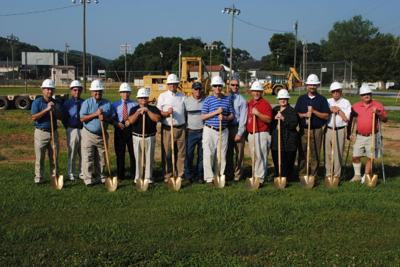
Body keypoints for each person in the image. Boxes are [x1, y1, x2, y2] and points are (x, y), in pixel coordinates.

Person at [349, 83, 387, 182]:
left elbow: (385, 119)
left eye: (368, 94)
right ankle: (357, 175)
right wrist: (349, 133)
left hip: (373, 135)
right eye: (364, 94)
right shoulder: (355, 106)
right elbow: (350, 119)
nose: (367, 96)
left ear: (371, 94)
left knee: (371, 157)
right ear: (360, 96)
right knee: (355, 156)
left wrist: (378, 113)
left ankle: (365, 176)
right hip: (360, 135)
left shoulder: (377, 105)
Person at [295, 74, 330, 180]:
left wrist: (314, 111)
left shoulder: (322, 99)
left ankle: (313, 175)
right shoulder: (301, 99)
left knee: (315, 153)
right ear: (307, 86)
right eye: (310, 85)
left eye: (314, 85)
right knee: (302, 152)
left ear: (317, 86)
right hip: (304, 130)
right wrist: (305, 115)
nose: (312, 87)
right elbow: (296, 114)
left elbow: (326, 115)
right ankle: (302, 174)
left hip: (317, 130)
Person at [201, 76, 234, 185]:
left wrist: (225, 118)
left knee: (221, 155)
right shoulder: (208, 99)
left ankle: (219, 175)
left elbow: (232, 115)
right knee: (208, 154)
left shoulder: (227, 99)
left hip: (223, 131)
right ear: (212, 87)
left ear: (222, 87)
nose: (218, 88)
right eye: (215, 86)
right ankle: (209, 178)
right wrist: (216, 112)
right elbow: (203, 116)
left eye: (219, 86)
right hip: (210, 130)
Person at [79, 79, 113, 186]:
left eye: (99, 91)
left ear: (102, 92)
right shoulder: (86, 103)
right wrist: (95, 114)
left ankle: (101, 176)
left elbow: (111, 117)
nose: (97, 93)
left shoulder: (107, 103)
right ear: (91, 92)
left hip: (101, 134)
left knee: (101, 157)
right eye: (95, 91)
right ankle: (88, 178)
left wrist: (105, 117)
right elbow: (82, 119)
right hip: (88, 134)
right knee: (88, 156)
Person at [31, 79, 62, 184]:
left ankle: (55, 177)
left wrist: (56, 111)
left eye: (51, 89)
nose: (49, 91)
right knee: (40, 157)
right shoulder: (37, 102)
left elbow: (61, 116)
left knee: (54, 156)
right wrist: (46, 110)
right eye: (47, 89)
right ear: (42, 90)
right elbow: (34, 117)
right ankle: (39, 178)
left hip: (54, 132)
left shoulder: (56, 102)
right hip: (41, 132)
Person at [128, 88, 161, 184]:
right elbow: (131, 121)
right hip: (137, 137)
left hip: (149, 136)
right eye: (141, 98)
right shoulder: (134, 109)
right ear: (138, 99)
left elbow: (156, 119)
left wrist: (147, 111)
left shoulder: (153, 108)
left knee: (149, 158)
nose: (143, 99)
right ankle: (138, 178)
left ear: (147, 98)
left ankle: (148, 178)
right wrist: (138, 112)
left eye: (145, 97)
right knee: (138, 158)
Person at [157, 74, 186, 182]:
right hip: (168, 128)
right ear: (167, 84)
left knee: (181, 153)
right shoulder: (162, 96)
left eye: (174, 84)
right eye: (170, 84)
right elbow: (158, 112)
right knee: (167, 153)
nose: (172, 85)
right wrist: (166, 113)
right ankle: (167, 175)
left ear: (177, 84)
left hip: (181, 128)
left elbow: (186, 112)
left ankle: (180, 175)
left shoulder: (182, 96)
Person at [246, 81, 272, 184]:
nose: (256, 93)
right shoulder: (250, 103)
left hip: (261, 133)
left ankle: (260, 179)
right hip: (251, 134)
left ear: (261, 92)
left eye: (258, 91)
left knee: (261, 156)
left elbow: (269, 119)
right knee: (254, 156)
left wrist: (258, 113)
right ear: (251, 92)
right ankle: (256, 175)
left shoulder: (265, 104)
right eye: (254, 91)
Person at [270, 89, 299, 181]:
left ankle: (287, 177)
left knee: (288, 160)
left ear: (288, 99)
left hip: (288, 141)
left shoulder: (292, 111)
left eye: (285, 98)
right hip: (276, 140)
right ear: (278, 99)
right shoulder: (275, 110)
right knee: (277, 159)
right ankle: (278, 175)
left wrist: (283, 118)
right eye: (281, 98)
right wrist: (274, 119)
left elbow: (293, 124)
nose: (283, 100)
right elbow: (270, 125)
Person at [324, 82, 351, 180]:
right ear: (331, 92)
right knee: (327, 153)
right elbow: (324, 114)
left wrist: (339, 111)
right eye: (333, 91)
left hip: (340, 130)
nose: (336, 93)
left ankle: (336, 175)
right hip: (328, 129)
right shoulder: (327, 101)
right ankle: (328, 173)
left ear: (341, 92)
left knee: (338, 153)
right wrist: (330, 109)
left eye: (337, 91)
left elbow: (346, 119)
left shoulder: (346, 102)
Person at [112, 82, 137, 180]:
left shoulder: (134, 104)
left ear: (130, 93)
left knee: (133, 153)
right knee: (120, 153)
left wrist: (130, 122)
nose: (125, 94)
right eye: (123, 92)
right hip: (119, 130)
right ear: (120, 93)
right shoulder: (115, 104)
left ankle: (134, 174)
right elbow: (112, 118)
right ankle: (120, 175)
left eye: (127, 92)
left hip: (131, 130)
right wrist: (116, 123)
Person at [226, 78, 247, 181]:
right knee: (228, 152)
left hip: (237, 127)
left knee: (239, 154)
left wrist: (240, 133)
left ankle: (237, 174)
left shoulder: (242, 100)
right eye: (233, 85)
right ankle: (228, 173)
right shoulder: (226, 98)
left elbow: (243, 118)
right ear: (229, 85)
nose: (235, 87)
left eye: (236, 85)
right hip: (227, 128)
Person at [62, 80, 84, 181]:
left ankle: (82, 172)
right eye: (75, 90)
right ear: (71, 91)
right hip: (72, 129)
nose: (77, 92)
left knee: (83, 152)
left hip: (83, 130)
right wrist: (68, 127)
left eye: (79, 90)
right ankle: (71, 173)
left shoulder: (84, 102)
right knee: (72, 151)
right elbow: (64, 118)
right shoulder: (67, 104)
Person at [184, 82, 205, 183]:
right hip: (191, 132)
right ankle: (188, 175)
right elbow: (184, 116)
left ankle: (199, 175)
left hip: (203, 132)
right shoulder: (187, 101)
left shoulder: (205, 101)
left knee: (202, 155)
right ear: (192, 90)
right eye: (196, 89)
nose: (198, 91)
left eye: (199, 89)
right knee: (189, 154)